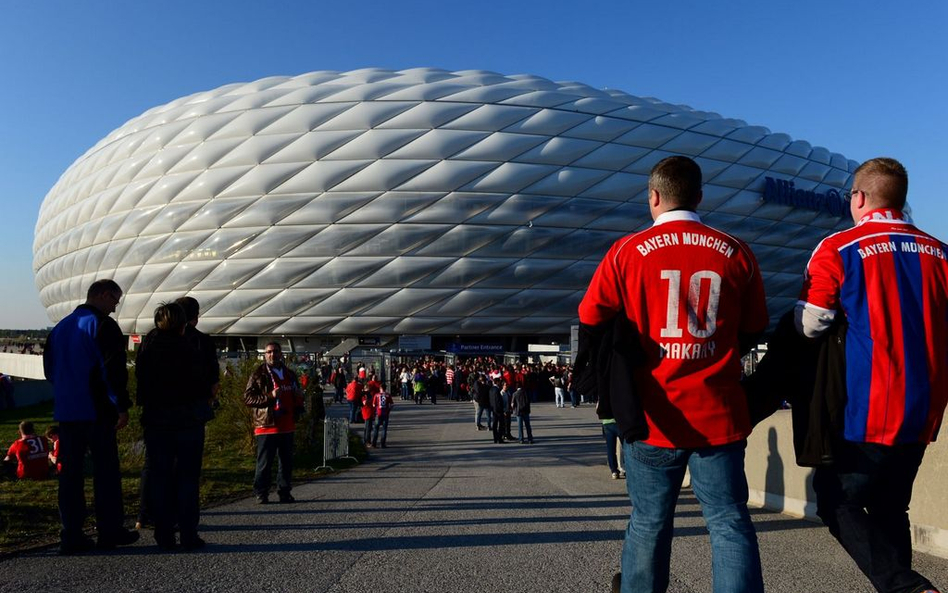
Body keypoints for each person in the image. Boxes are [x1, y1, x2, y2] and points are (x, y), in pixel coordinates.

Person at [579, 156, 767, 593]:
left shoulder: (627, 250)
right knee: (728, 522)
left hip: (652, 417)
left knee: (648, 523)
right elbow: (756, 325)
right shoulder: (735, 250)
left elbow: (590, 315)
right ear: (700, 197)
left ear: (654, 197)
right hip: (718, 415)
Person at [795, 157, 946, 593]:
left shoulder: (839, 248)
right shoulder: (940, 251)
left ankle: (908, 587)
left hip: (869, 409)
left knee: (835, 499)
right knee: (890, 508)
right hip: (924, 410)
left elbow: (812, 322)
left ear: (859, 198)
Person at [43, 279, 139, 554]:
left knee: (69, 476)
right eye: (115, 299)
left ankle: (71, 535)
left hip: (67, 412)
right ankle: (109, 531)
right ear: (103, 294)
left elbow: (50, 370)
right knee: (106, 473)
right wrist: (121, 405)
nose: (115, 306)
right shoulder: (103, 325)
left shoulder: (60, 328)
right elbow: (112, 371)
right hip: (96, 412)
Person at [135, 303, 208, 550]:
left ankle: (163, 535)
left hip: (157, 422)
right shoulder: (191, 349)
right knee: (188, 479)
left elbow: (141, 384)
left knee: (160, 478)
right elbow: (203, 384)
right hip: (187, 422)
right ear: (184, 323)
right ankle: (188, 534)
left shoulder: (148, 349)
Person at [244, 342, 304, 504]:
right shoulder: (258, 374)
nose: (272, 355)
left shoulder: (289, 374)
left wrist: (299, 397)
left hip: (287, 424)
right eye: (269, 352)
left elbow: (296, 395)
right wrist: (270, 396)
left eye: (275, 351)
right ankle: (261, 493)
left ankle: (284, 492)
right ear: (265, 354)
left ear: (281, 354)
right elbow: (248, 398)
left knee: (286, 463)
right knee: (264, 463)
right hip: (267, 425)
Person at [489, 378, 506, 444]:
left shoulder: (491, 389)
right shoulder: (497, 390)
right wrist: (501, 408)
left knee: (495, 424)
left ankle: (495, 438)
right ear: (497, 382)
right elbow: (498, 400)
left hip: (493, 409)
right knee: (501, 424)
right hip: (498, 409)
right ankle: (500, 438)